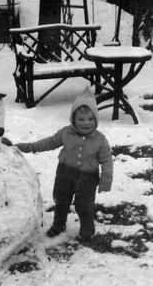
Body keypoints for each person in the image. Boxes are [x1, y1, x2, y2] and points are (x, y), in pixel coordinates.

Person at [15, 86, 113, 243]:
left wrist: (105, 180)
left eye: (90, 119)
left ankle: (87, 230)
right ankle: (58, 225)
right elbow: (49, 142)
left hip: (88, 178)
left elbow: (107, 160)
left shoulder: (100, 139)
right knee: (61, 201)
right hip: (64, 174)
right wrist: (28, 147)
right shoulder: (66, 133)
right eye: (81, 119)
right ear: (73, 120)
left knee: (84, 206)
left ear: (96, 119)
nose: (86, 123)